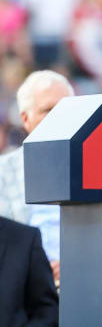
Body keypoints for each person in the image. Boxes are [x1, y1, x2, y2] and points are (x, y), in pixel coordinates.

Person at [0, 70, 75, 281]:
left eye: (67, 108)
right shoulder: (4, 173)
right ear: (25, 119)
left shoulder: (99, 168)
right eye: (48, 110)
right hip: (23, 294)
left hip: (87, 282)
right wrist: (36, 270)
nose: (60, 116)